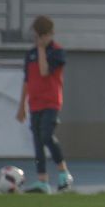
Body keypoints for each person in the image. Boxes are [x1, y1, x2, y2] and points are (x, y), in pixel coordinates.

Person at [14, 15, 73, 194]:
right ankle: (43, 181)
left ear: (49, 35)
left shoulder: (57, 52)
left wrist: (41, 50)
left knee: (47, 135)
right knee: (37, 141)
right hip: (35, 103)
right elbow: (27, 80)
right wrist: (21, 105)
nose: (39, 40)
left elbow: (44, 71)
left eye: (42, 36)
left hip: (51, 102)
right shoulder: (29, 54)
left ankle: (63, 172)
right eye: (37, 36)